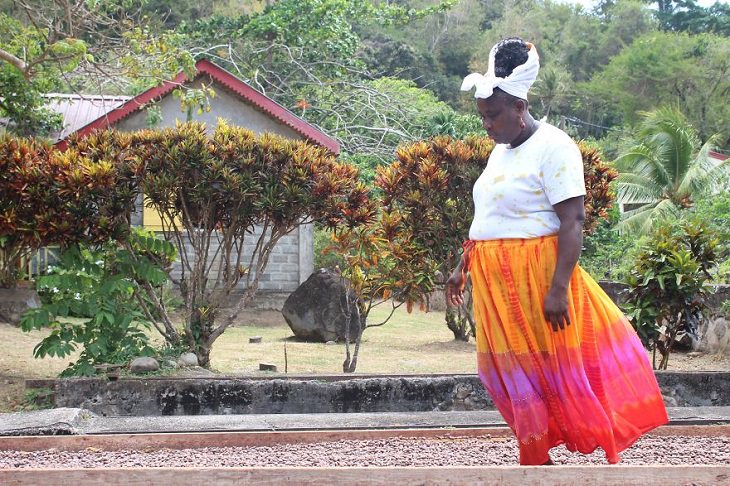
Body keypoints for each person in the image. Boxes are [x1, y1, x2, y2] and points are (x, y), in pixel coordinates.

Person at [446, 37, 668, 466]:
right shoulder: (500, 153)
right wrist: (462, 266)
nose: (486, 125)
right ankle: (535, 450)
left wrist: (558, 288)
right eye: (482, 117)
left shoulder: (555, 146)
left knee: (559, 367)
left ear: (518, 108)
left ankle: (549, 454)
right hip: (496, 283)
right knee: (506, 373)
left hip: (537, 277)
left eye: (492, 116)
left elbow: (573, 221)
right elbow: (490, 216)